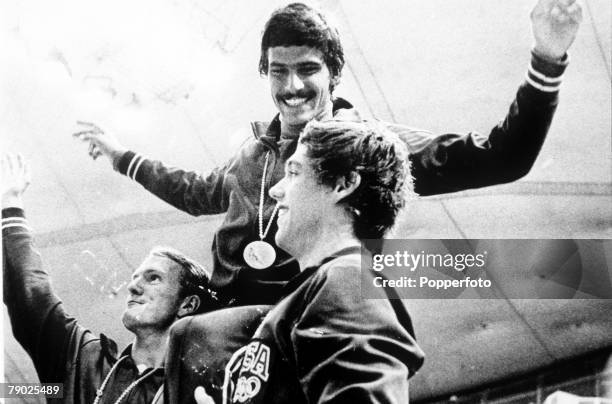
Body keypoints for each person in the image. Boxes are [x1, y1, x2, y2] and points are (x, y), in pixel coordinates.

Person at [74, 0, 583, 305]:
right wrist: (122, 156)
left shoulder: (366, 145)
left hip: (307, 328)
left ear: (334, 73)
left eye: (308, 69)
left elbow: (503, 158)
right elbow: (194, 192)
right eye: (278, 71)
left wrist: (548, 57)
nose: (292, 86)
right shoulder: (253, 153)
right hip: (227, 333)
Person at [192, 119, 425, 404]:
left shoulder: (346, 278)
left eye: (293, 172)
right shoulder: (322, 287)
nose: (276, 190)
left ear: (344, 184)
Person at [1, 154, 219, 403]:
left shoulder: (198, 392)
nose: (134, 286)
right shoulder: (85, 360)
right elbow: (32, 296)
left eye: (153, 278)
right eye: (136, 277)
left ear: (187, 304)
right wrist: (11, 202)